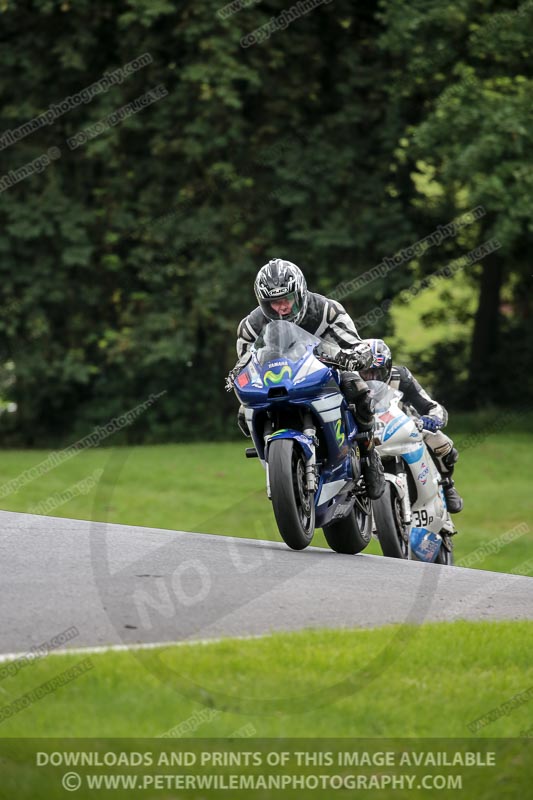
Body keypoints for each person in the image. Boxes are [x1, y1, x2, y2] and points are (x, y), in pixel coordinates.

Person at [229, 258, 385, 500]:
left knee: (359, 390)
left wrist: (355, 356)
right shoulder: (250, 326)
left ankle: (368, 453)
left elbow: (354, 343)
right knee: (243, 413)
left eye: (287, 300)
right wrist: (237, 375)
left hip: (325, 370)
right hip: (278, 378)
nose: (281, 308)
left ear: (300, 293)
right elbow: (244, 363)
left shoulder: (327, 310)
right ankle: (279, 465)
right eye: (273, 303)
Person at [359, 338, 464, 513]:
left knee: (442, 443)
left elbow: (431, 406)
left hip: (406, 427)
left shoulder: (401, 377)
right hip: (369, 433)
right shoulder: (351, 383)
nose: (372, 378)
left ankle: (447, 483)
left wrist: (432, 419)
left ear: (387, 368)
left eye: (377, 372)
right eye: (366, 372)